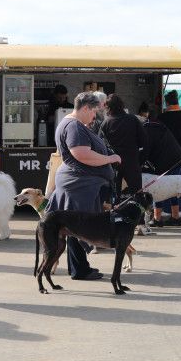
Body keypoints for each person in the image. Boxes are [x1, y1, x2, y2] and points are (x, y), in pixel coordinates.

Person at [47, 92, 120, 280]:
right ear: (85, 108)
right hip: (78, 185)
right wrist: (110, 158)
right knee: (80, 227)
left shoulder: (72, 123)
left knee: (74, 228)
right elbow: (81, 154)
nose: (94, 116)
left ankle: (79, 267)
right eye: (94, 111)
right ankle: (79, 270)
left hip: (77, 184)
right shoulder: (74, 126)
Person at [142, 113, 181, 227]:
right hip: (178, 158)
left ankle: (157, 219)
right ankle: (175, 217)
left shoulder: (146, 132)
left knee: (159, 188)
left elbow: (145, 152)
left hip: (166, 162)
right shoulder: (156, 126)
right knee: (173, 189)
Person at [100, 94, 147, 196]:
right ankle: (137, 211)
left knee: (114, 194)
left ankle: (114, 211)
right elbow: (143, 140)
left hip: (113, 163)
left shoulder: (106, 123)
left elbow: (100, 144)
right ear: (122, 105)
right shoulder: (133, 119)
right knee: (136, 193)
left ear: (108, 107)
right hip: (132, 161)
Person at [157, 90, 181, 214]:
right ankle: (179, 210)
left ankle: (165, 210)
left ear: (166, 103)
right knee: (178, 183)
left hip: (164, 156)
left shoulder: (162, 118)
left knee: (164, 183)